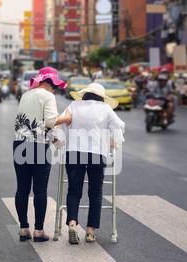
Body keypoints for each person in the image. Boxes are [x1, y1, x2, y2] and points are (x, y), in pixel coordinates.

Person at [59, 83, 125, 244]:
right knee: (95, 192)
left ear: (85, 94)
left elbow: (62, 123)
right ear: (102, 97)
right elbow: (119, 126)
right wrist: (114, 141)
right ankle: (90, 231)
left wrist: (60, 141)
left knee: (74, 189)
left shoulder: (74, 105)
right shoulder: (106, 109)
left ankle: (72, 223)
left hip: (74, 151)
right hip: (97, 153)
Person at [13, 67, 72, 243]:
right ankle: (38, 231)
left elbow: (32, 122)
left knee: (22, 188)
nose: (54, 89)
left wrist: (51, 137)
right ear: (47, 82)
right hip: (38, 147)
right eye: (54, 85)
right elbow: (51, 121)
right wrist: (67, 118)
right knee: (40, 189)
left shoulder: (26, 95)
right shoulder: (48, 96)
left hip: (19, 144)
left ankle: (24, 229)